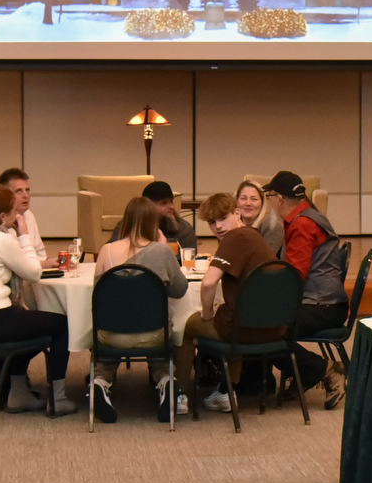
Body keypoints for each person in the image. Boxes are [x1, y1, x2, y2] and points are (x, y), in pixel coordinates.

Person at [0, 182, 76, 416]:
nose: (18, 215)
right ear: (2, 216)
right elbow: (33, 273)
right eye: (14, 212)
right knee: (61, 324)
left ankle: (18, 394)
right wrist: (23, 236)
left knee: (26, 322)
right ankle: (58, 399)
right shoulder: (1, 241)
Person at [176, 192, 277, 412]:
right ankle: (224, 391)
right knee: (230, 312)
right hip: (274, 326)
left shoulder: (235, 237)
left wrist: (206, 313)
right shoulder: (254, 236)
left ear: (237, 213)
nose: (219, 227)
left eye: (223, 218)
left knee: (184, 326)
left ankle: (180, 395)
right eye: (212, 222)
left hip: (244, 329)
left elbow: (208, 283)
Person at [92, 196, 189, 422]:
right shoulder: (161, 252)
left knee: (116, 322)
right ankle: (165, 380)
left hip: (111, 337)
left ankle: (100, 381)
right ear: (153, 223)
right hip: (154, 336)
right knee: (160, 326)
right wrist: (165, 249)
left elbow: (98, 297)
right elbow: (180, 289)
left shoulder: (105, 251)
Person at [263, 170, 348, 405]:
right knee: (264, 321)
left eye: (269, 196)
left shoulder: (301, 225)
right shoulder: (310, 216)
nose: (269, 202)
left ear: (279, 199)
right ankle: (307, 372)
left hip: (322, 305)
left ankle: (324, 369)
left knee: (261, 328)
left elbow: (294, 276)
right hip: (325, 302)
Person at [110, 179, 197, 253]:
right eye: (164, 203)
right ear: (147, 205)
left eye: (171, 201)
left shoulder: (184, 228)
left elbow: (189, 258)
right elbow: (111, 252)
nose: (171, 206)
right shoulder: (126, 225)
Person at [0, 167, 48, 260]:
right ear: (5, 194)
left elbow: (41, 254)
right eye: (19, 191)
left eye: (27, 190)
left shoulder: (29, 215)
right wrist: (44, 264)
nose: (25, 196)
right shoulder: (0, 218)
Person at [235, 180, 285, 258]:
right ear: (237, 201)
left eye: (254, 199)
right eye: (243, 198)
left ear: (262, 202)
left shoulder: (272, 225)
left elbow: (263, 260)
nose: (248, 203)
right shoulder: (231, 222)